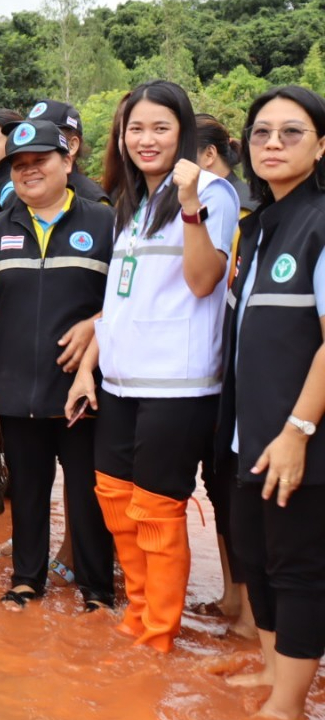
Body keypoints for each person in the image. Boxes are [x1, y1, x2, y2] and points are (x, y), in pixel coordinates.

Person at [65, 80, 238, 653]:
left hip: (179, 382)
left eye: (161, 127)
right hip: (118, 378)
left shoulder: (212, 190)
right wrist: (88, 368)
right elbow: (118, 300)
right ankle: (138, 611)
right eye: (135, 128)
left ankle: (158, 634)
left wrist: (190, 208)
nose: (146, 138)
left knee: (158, 509)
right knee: (113, 497)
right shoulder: (132, 204)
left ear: (183, 133)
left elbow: (203, 279)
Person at [0, 119, 115, 611]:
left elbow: (132, 297)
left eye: (40, 161)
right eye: (19, 166)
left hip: (84, 387)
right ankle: (27, 579)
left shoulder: (106, 222)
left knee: (88, 494)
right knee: (26, 489)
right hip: (16, 384)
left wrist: (96, 324)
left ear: (67, 161)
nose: (29, 172)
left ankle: (96, 589)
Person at [216, 85, 325, 720]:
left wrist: (299, 430)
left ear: (320, 144)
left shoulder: (319, 221)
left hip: (296, 438)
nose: (273, 144)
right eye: (261, 133)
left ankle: (287, 704)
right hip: (247, 434)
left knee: (299, 568)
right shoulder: (257, 227)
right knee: (256, 557)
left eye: (291, 132)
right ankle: (269, 668)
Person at [193, 111, 259, 638]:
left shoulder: (242, 212)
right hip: (218, 366)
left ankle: (251, 617)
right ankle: (233, 597)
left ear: (208, 157)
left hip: (236, 371)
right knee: (220, 489)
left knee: (235, 490)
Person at [26, 99, 111, 204]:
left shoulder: (93, 201)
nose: (32, 145)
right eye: (30, 135)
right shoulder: (21, 194)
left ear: (72, 146)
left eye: (46, 137)